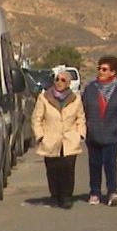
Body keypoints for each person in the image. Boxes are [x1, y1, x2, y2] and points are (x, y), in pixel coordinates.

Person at [31, 67, 87, 209]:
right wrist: (40, 136)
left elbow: (80, 118)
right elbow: (37, 118)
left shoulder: (76, 99)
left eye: (63, 80)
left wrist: (80, 133)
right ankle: (55, 195)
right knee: (53, 168)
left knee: (68, 168)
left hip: (69, 139)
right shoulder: (44, 98)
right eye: (57, 79)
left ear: (68, 83)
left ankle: (66, 196)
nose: (59, 82)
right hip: (50, 138)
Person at [82, 56, 117, 207]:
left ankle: (112, 191)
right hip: (93, 134)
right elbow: (83, 109)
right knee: (94, 163)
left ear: (113, 73)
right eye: (99, 68)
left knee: (110, 163)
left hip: (112, 135)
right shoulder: (90, 89)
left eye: (104, 69)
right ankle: (95, 192)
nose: (100, 71)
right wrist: (88, 126)